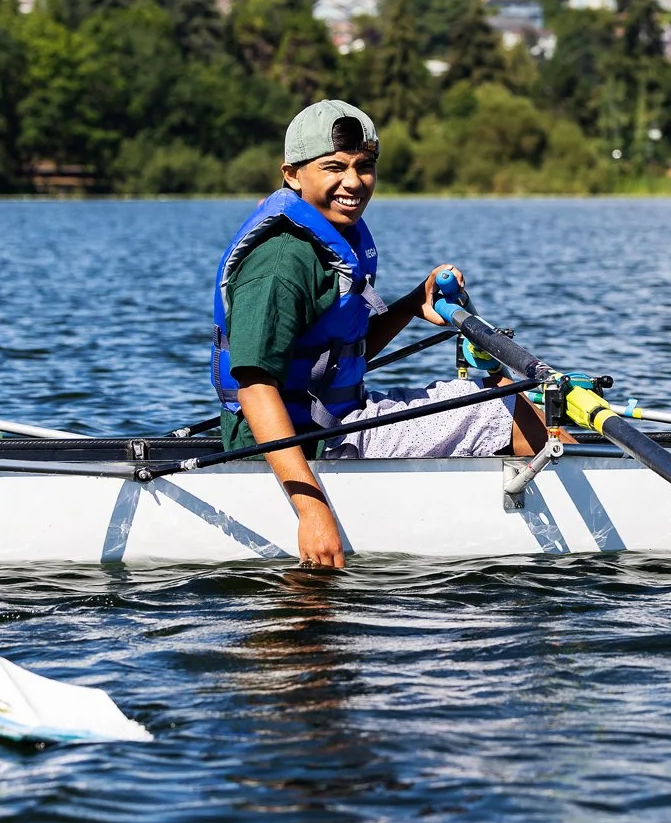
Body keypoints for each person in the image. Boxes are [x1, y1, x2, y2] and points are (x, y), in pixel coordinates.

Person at [213, 99, 549, 568]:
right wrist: (311, 512)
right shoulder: (280, 263)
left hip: (334, 420)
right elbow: (254, 387)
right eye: (333, 167)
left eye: (364, 167)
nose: (353, 182)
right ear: (291, 175)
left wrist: (413, 303)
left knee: (500, 393)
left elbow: (343, 354)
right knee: (510, 409)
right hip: (311, 442)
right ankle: (587, 520)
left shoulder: (324, 241)